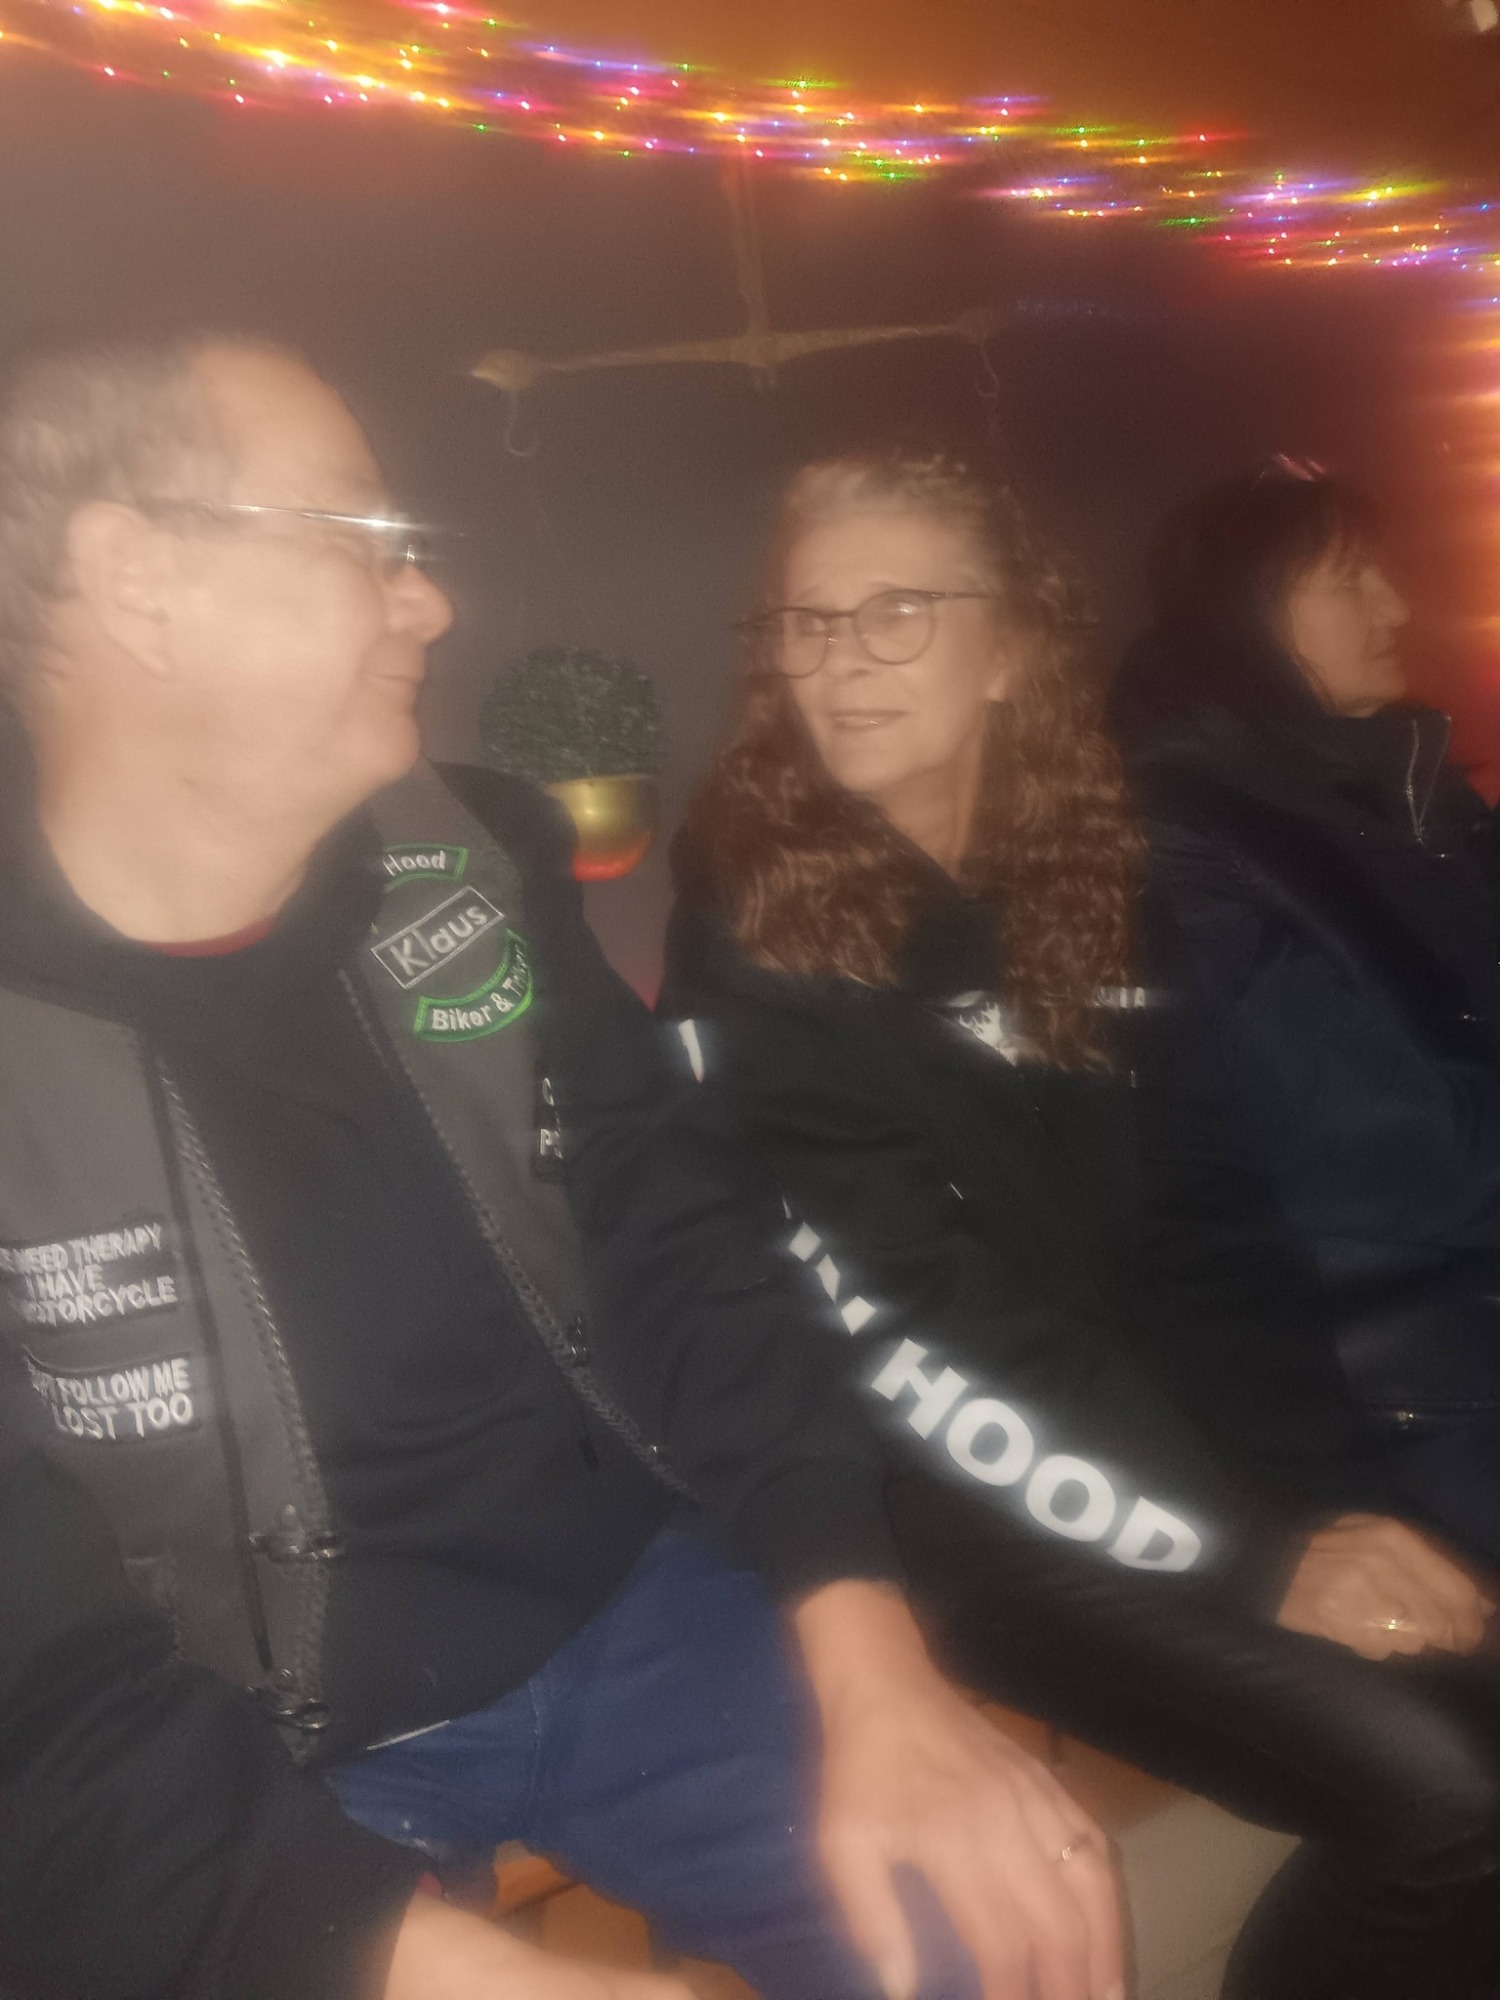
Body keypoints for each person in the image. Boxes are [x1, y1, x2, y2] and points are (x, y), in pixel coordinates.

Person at [0, 338, 1123, 2000]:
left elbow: (687, 1243)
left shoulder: (474, 863)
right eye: (361, 539)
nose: (430, 600)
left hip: (635, 1603)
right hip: (233, 1735)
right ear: (138, 580)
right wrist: (442, 1965)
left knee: (998, 1938)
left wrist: (872, 1656)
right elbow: (38, 1683)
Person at [660, 443, 1500, 2000]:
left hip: (1168, 1446)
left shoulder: (1085, 865)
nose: (837, 659)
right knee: (1447, 1807)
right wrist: (1259, 1550)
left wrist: (1329, 1484)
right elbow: (924, 1338)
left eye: (895, 611)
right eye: (805, 619)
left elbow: (1205, 1223)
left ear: (1011, 650)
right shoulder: (754, 934)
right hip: (958, 1510)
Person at [1109, 461, 1500, 1564]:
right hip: (1405, 1380)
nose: (1397, 607)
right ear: (1247, 616)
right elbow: (1383, 1145)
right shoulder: (1180, 835)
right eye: (1349, 578)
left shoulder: (1405, 792)